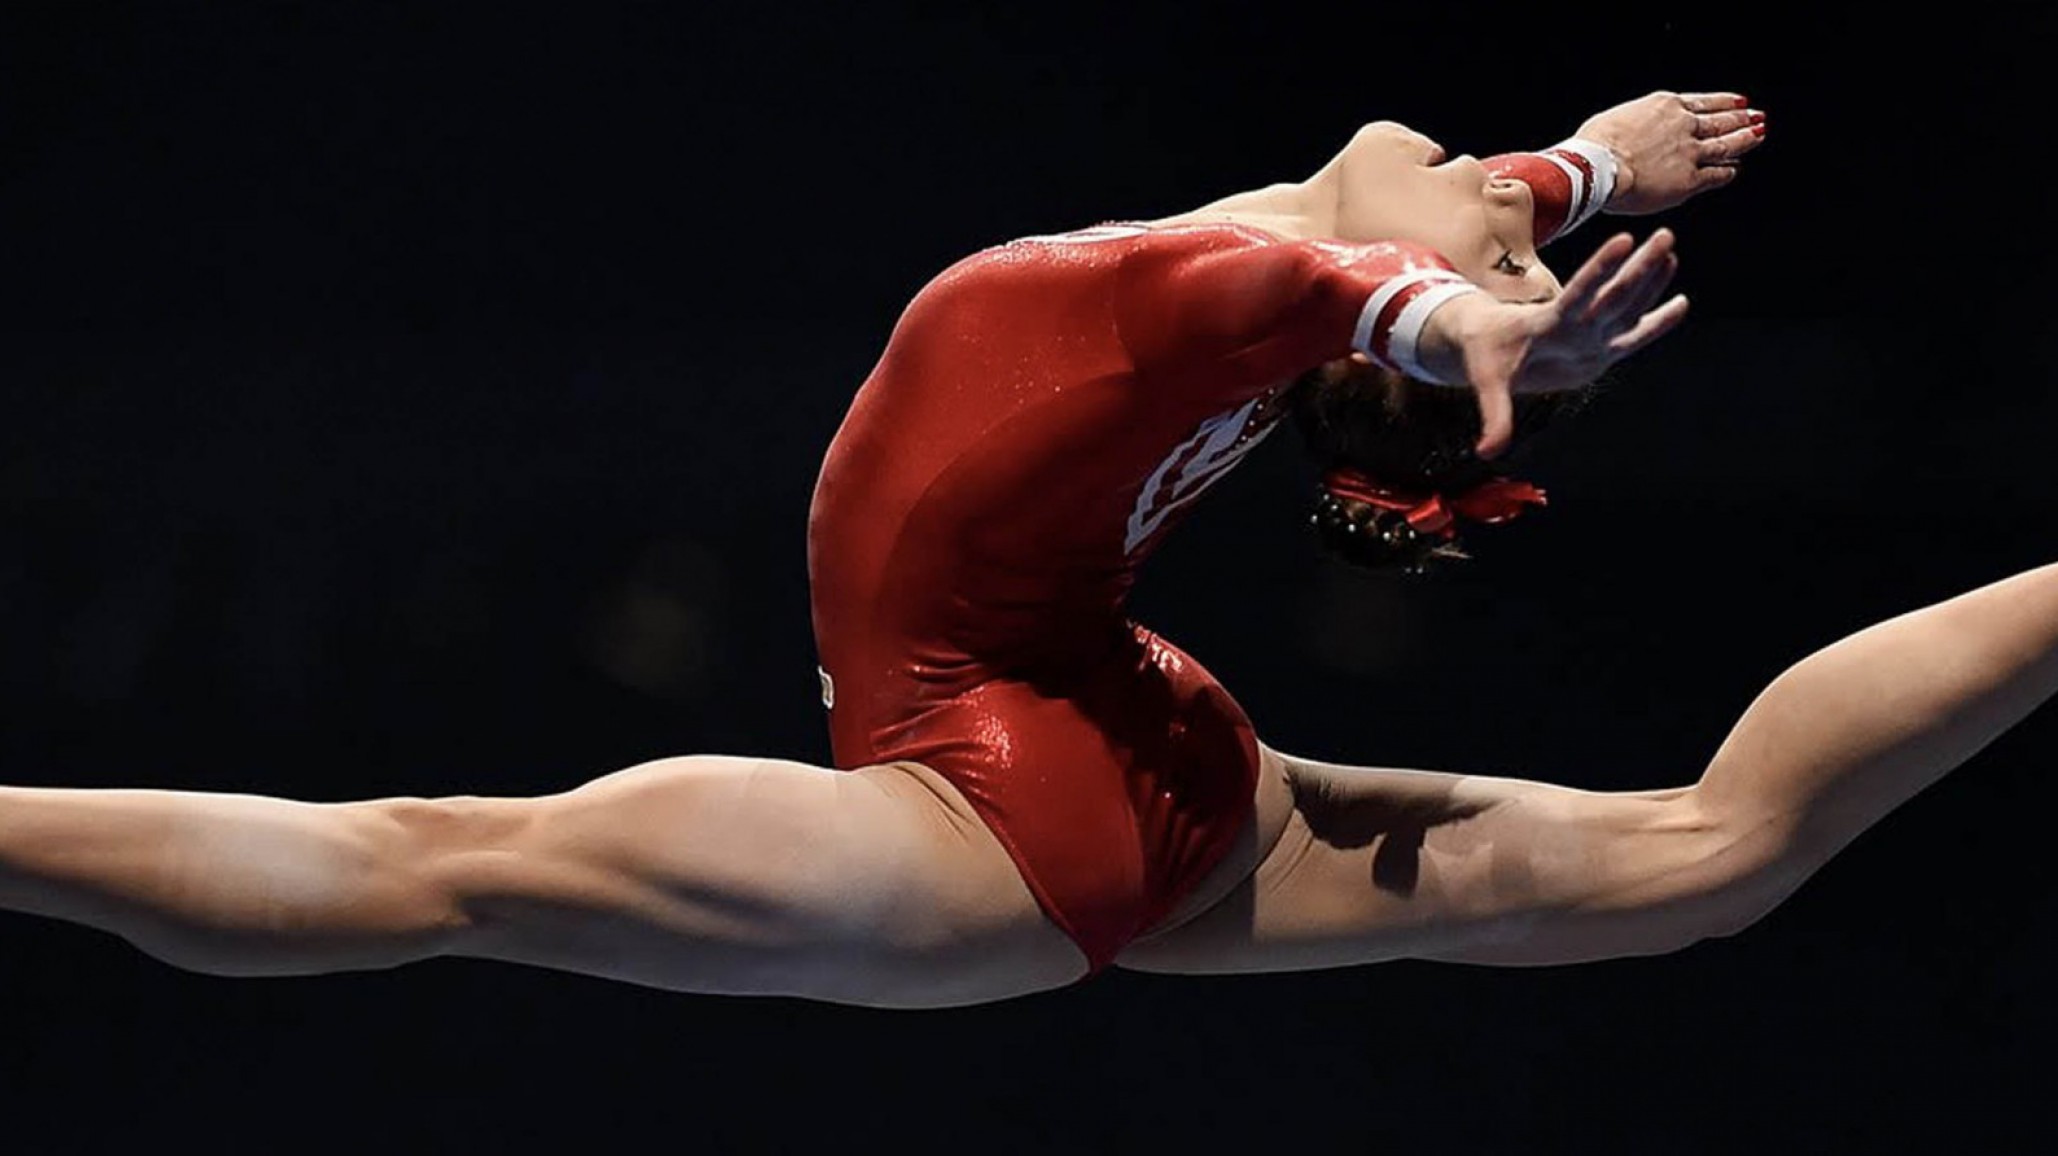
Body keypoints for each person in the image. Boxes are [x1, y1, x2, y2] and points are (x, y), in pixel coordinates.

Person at [3, 91, 2048, 1012]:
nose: (1490, 180)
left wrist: (1476, 318)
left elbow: (1362, 273)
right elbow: (1402, 222)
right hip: (1136, 743)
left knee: (433, 868)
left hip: (986, 814)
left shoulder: (1235, 296)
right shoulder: (1298, 270)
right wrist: (1576, 175)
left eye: (1505, 228)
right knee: (1707, 854)